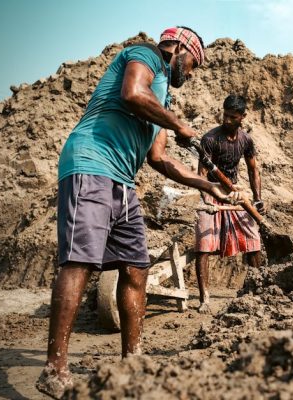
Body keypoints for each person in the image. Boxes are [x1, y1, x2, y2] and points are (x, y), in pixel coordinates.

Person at [36, 27, 240, 399]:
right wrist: (178, 124)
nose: (191, 73)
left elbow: (160, 159)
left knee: (136, 267)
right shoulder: (146, 55)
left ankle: (133, 361)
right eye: (193, 63)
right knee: (79, 262)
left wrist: (207, 185)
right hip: (91, 164)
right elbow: (132, 94)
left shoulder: (161, 101)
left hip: (122, 181)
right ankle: (55, 369)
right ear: (179, 48)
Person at [195, 94, 264, 314]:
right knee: (203, 242)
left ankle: (256, 290)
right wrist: (208, 200)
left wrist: (257, 198)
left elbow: (253, 170)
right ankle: (204, 298)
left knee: (253, 238)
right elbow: (202, 173)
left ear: (242, 117)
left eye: (232, 117)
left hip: (234, 193)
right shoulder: (210, 139)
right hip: (211, 191)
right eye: (224, 115)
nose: (226, 120)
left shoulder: (246, 140)